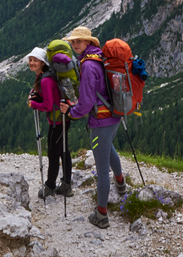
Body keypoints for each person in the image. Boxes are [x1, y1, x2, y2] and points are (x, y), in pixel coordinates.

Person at [59, 26, 126, 229]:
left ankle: (101, 215)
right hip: (114, 115)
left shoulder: (88, 65)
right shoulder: (99, 57)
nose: (74, 45)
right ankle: (121, 183)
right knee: (109, 149)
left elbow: (87, 104)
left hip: (101, 122)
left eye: (78, 41)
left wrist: (71, 112)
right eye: (72, 42)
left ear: (89, 42)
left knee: (101, 167)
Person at [26, 47, 74, 199]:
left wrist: (34, 104)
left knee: (53, 153)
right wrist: (36, 96)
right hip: (62, 119)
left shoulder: (45, 80)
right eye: (30, 60)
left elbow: (47, 105)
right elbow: (50, 99)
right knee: (62, 151)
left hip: (57, 122)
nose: (32, 63)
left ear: (43, 63)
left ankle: (50, 185)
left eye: (35, 60)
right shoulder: (46, 77)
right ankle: (66, 184)